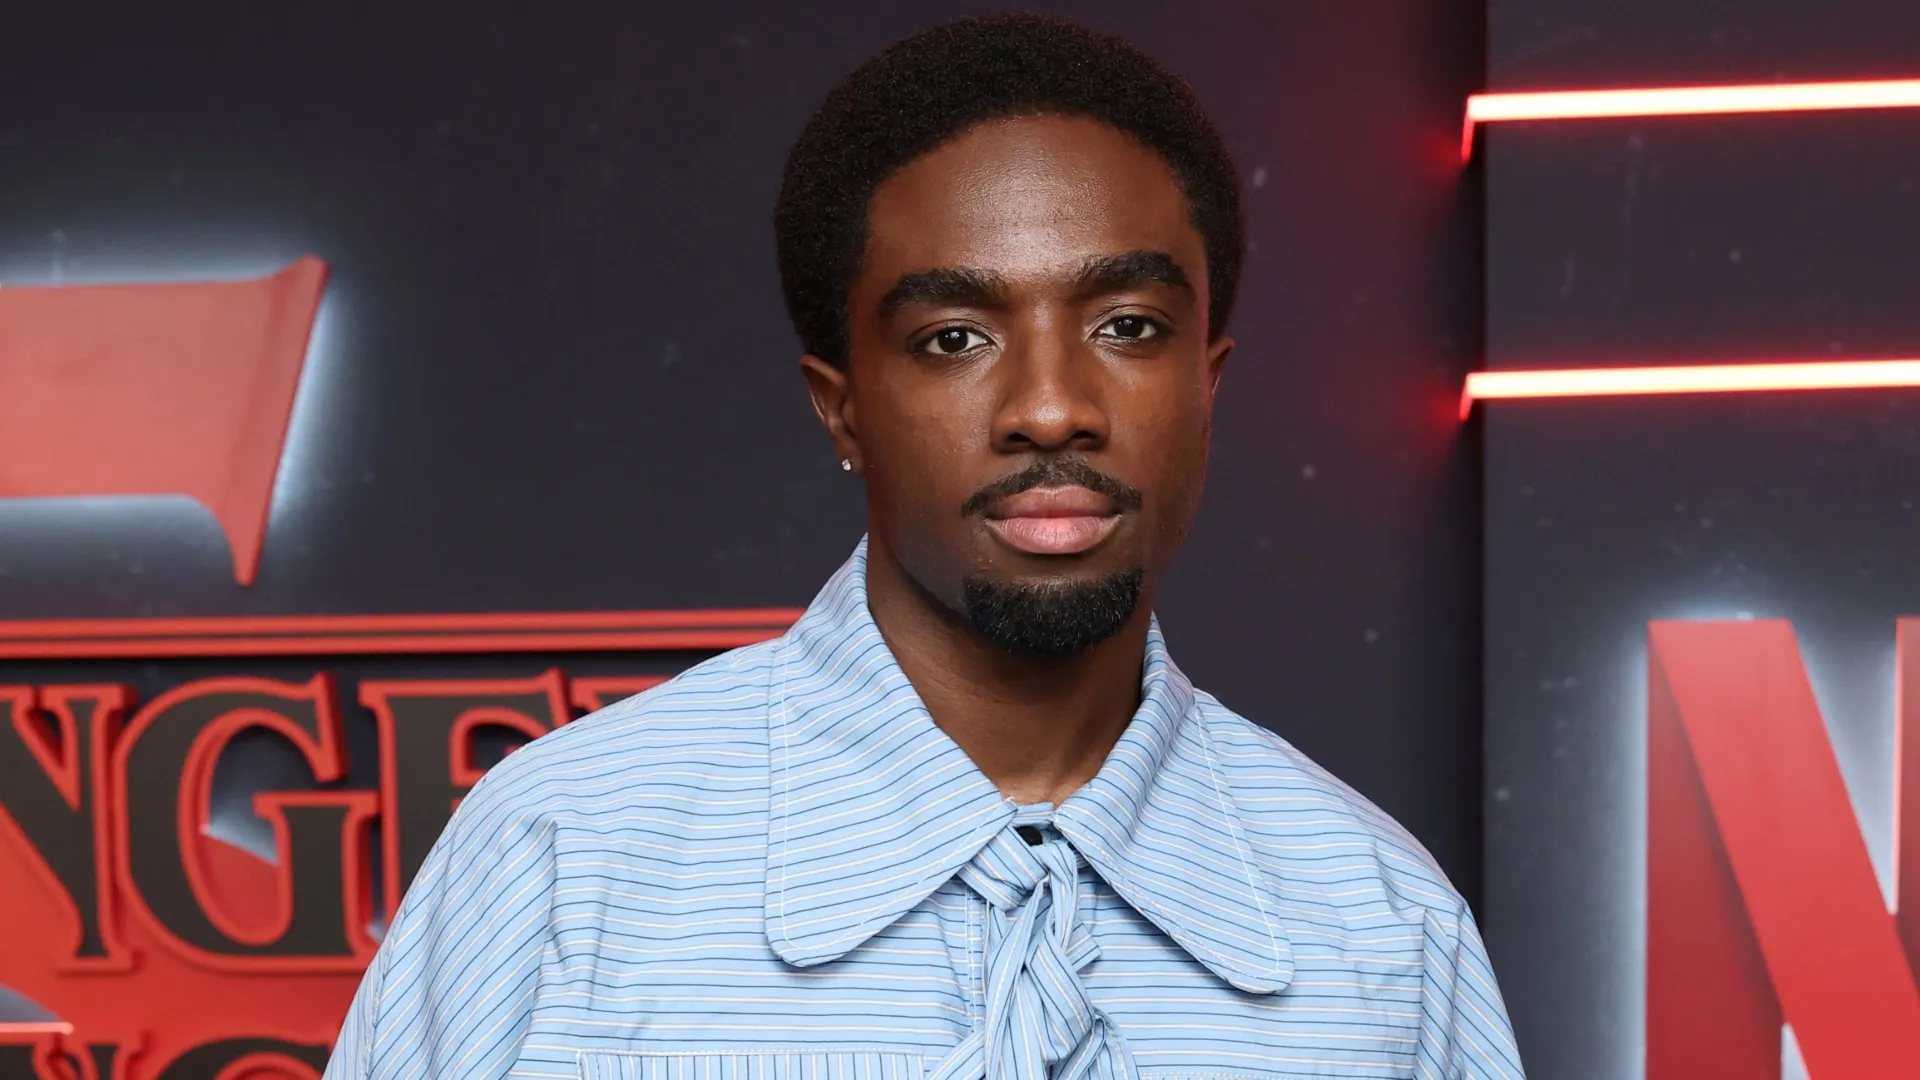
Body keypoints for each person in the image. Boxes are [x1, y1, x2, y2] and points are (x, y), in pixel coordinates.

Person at [324, 13, 1523, 1080]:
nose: (1050, 407)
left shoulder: (1385, 927)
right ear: (839, 406)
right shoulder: (561, 863)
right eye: (954, 338)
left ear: (1207, 381)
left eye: (1127, 325)